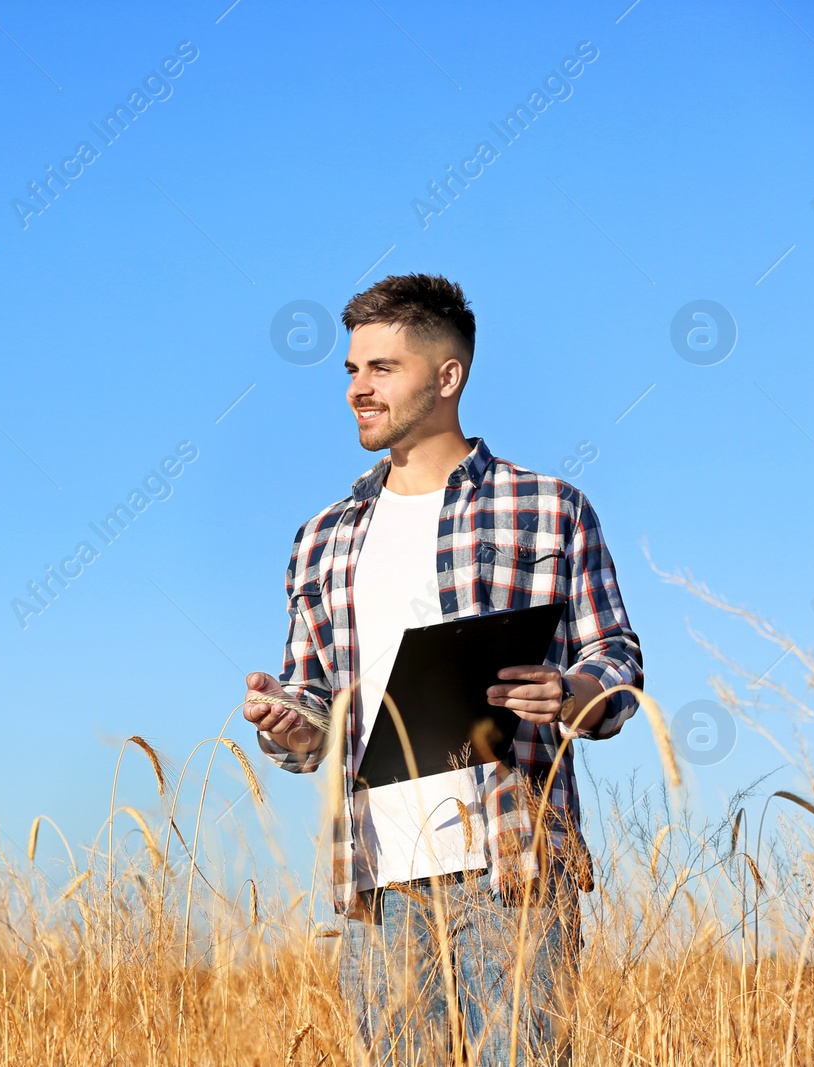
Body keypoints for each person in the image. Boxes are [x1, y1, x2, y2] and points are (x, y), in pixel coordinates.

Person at [243, 273, 643, 1065]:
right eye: (352, 370)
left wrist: (572, 692)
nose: (358, 388)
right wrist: (287, 720)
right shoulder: (320, 537)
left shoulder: (550, 506)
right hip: (377, 878)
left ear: (448, 376)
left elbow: (616, 656)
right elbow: (313, 710)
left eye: (381, 368)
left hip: (515, 869)